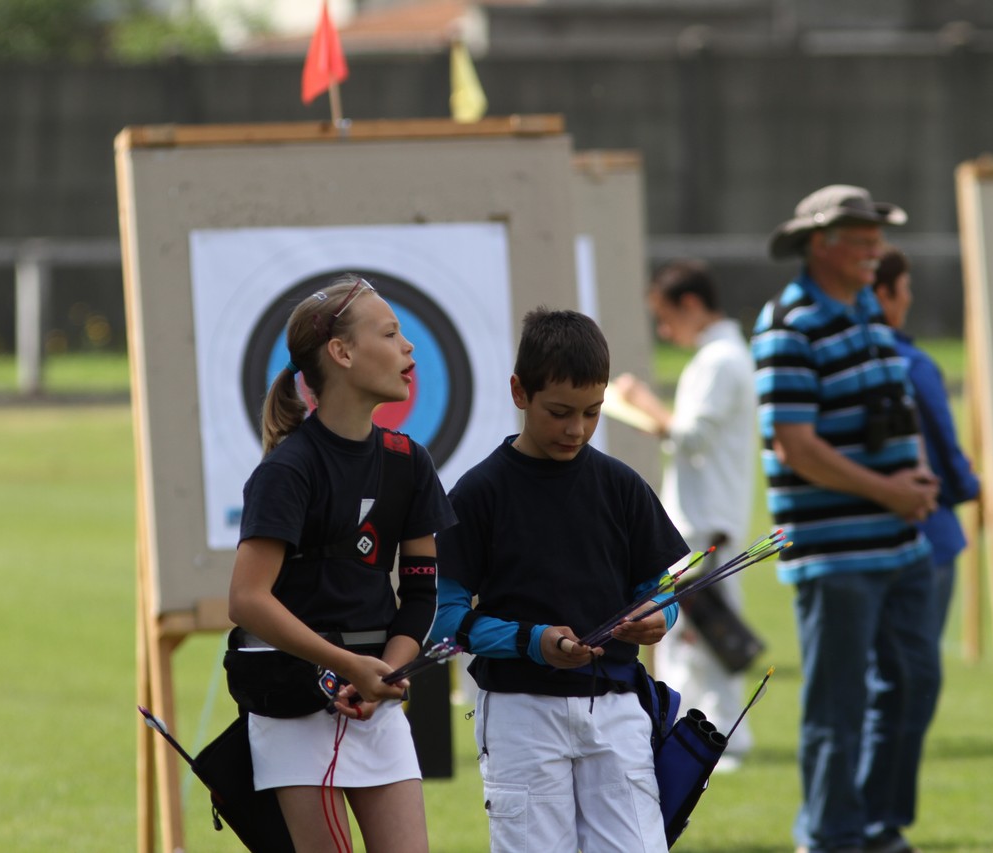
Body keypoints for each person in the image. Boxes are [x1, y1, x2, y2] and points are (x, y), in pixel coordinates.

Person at [431, 308, 691, 853]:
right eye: (559, 412)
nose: (576, 429)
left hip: (616, 705)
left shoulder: (621, 485)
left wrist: (656, 616)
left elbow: (661, 591)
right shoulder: (479, 493)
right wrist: (532, 641)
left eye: (592, 413)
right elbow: (447, 619)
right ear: (519, 392)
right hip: (521, 711)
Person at [226, 274, 457, 853]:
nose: (409, 348)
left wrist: (389, 672)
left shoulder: (410, 461)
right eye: (391, 332)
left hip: (372, 699)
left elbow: (423, 593)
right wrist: (344, 665)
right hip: (297, 701)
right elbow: (248, 600)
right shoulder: (289, 469)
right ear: (342, 353)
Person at [751, 185, 941, 853]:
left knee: (915, 682)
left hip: (900, 541)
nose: (875, 251)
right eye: (861, 239)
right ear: (819, 245)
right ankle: (831, 835)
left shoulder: (865, 308)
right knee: (838, 707)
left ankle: (877, 824)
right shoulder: (787, 325)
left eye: (875, 237)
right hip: (835, 552)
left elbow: (900, 404)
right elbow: (794, 445)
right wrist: (891, 490)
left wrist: (914, 476)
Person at [610, 259, 759, 770]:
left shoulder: (721, 359)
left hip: (706, 517)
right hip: (705, 512)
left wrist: (639, 401)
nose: (664, 329)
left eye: (666, 316)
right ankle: (705, 731)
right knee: (693, 635)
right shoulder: (719, 356)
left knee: (703, 635)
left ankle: (720, 736)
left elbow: (691, 433)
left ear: (691, 304)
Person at [871, 247, 980, 643]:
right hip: (927, 535)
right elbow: (945, 452)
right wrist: (971, 485)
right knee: (912, 678)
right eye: (904, 287)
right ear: (882, 293)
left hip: (862, 547)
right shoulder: (911, 364)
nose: (910, 297)